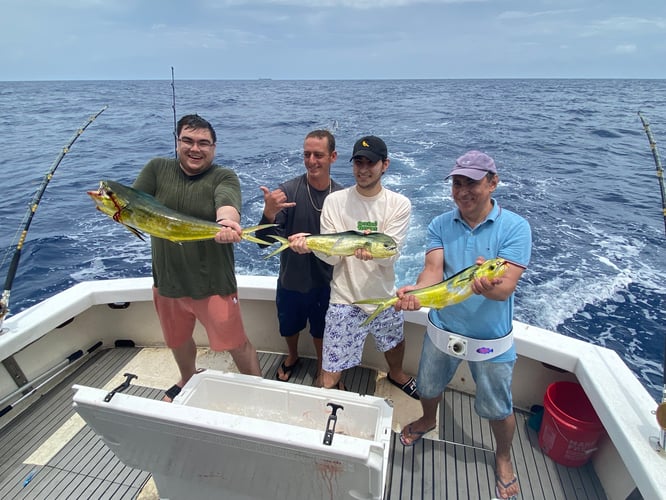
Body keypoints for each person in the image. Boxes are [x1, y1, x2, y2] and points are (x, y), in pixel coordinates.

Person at [395, 150, 531, 500]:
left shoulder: (515, 227)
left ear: (492, 182)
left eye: (471, 182)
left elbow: (505, 289)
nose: (463, 190)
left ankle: (503, 457)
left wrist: (490, 285)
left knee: (497, 409)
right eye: (457, 183)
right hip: (442, 327)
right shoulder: (440, 224)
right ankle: (427, 420)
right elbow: (432, 272)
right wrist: (416, 293)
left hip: (491, 340)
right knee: (428, 386)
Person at [132, 114, 262, 402]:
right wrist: (112, 207)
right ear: (177, 142)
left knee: (236, 343)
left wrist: (228, 223)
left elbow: (227, 204)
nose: (195, 148)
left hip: (213, 282)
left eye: (204, 143)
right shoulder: (157, 168)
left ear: (214, 148)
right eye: (188, 141)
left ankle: (259, 390)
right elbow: (134, 203)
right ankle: (188, 377)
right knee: (177, 340)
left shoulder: (223, 176)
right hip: (167, 281)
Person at [291, 135, 419, 398]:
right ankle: (327, 390)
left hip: (383, 294)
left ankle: (397, 373)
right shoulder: (335, 201)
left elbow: (390, 255)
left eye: (370, 163)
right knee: (330, 369)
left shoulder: (399, 204)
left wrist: (372, 253)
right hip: (344, 296)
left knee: (393, 342)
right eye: (358, 162)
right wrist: (312, 246)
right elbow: (333, 259)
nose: (363, 169)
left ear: (385, 165)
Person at [255, 129, 343, 383]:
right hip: (291, 280)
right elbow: (263, 243)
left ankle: (321, 367)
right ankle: (292, 356)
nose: (311, 160)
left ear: (333, 157)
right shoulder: (288, 192)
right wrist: (269, 213)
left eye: (318, 154)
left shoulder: (342, 197)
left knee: (321, 330)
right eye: (307, 154)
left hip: (326, 282)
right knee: (289, 327)